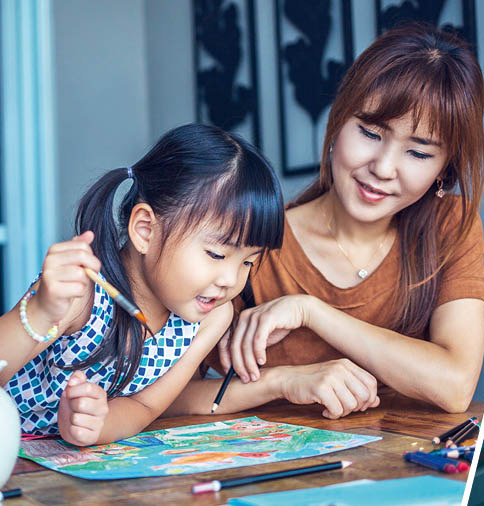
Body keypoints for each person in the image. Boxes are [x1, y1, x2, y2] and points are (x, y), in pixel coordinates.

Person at [169, 24, 484, 419]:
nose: (384, 168)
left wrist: (311, 312)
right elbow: (160, 400)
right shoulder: (255, 242)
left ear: (445, 168)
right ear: (337, 122)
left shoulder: (450, 226)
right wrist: (283, 380)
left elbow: (455, 386)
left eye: (419, 154)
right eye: (371, 133)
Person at [0, 123, 285, 446]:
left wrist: (97, 424)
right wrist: (41, 311)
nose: (230, 281)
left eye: (248, 261)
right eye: (217, 254)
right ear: (145, 230)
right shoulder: (81, 293)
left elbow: (144, 405)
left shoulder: (213, 317)